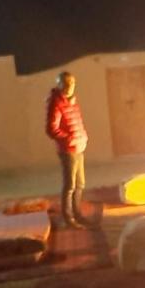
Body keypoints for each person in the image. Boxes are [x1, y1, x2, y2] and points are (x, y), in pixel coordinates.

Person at [45, 70, 93, 229]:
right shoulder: (56, 103)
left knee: (80, 184)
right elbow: (51, 129)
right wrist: (69, 139)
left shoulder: (72, 101)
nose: (69, 86)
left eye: (71, 83)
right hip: (68, 150)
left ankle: (78, 214)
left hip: (79, 147)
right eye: (65, 83)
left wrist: (83, 136)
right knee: (70, 185)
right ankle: (69, 218)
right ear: (58, 84)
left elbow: (77, 122)